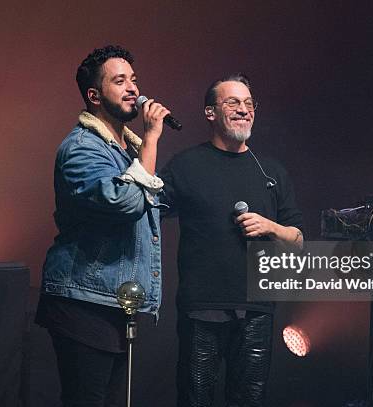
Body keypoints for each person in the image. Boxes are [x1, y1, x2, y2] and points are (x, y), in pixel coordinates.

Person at [35, 45, 170, 407]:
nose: (133, 89)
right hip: (81, 301)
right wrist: (153, 138)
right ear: (94, 95)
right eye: (119, 80)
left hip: (107, 300)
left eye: (134, 80)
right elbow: (125, 202)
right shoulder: (81, 148)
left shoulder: (126, 151)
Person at [159, 73, 304, 407]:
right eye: (233, 102)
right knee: (195, 398)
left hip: (256, 308)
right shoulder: (186, 165)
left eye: (249, 104)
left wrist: (272, 227)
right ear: (210, 112)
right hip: (202, 308)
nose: (244, 110)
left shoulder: (272, 172)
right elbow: (147, 209)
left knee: (249, 400)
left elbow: (297, 241)